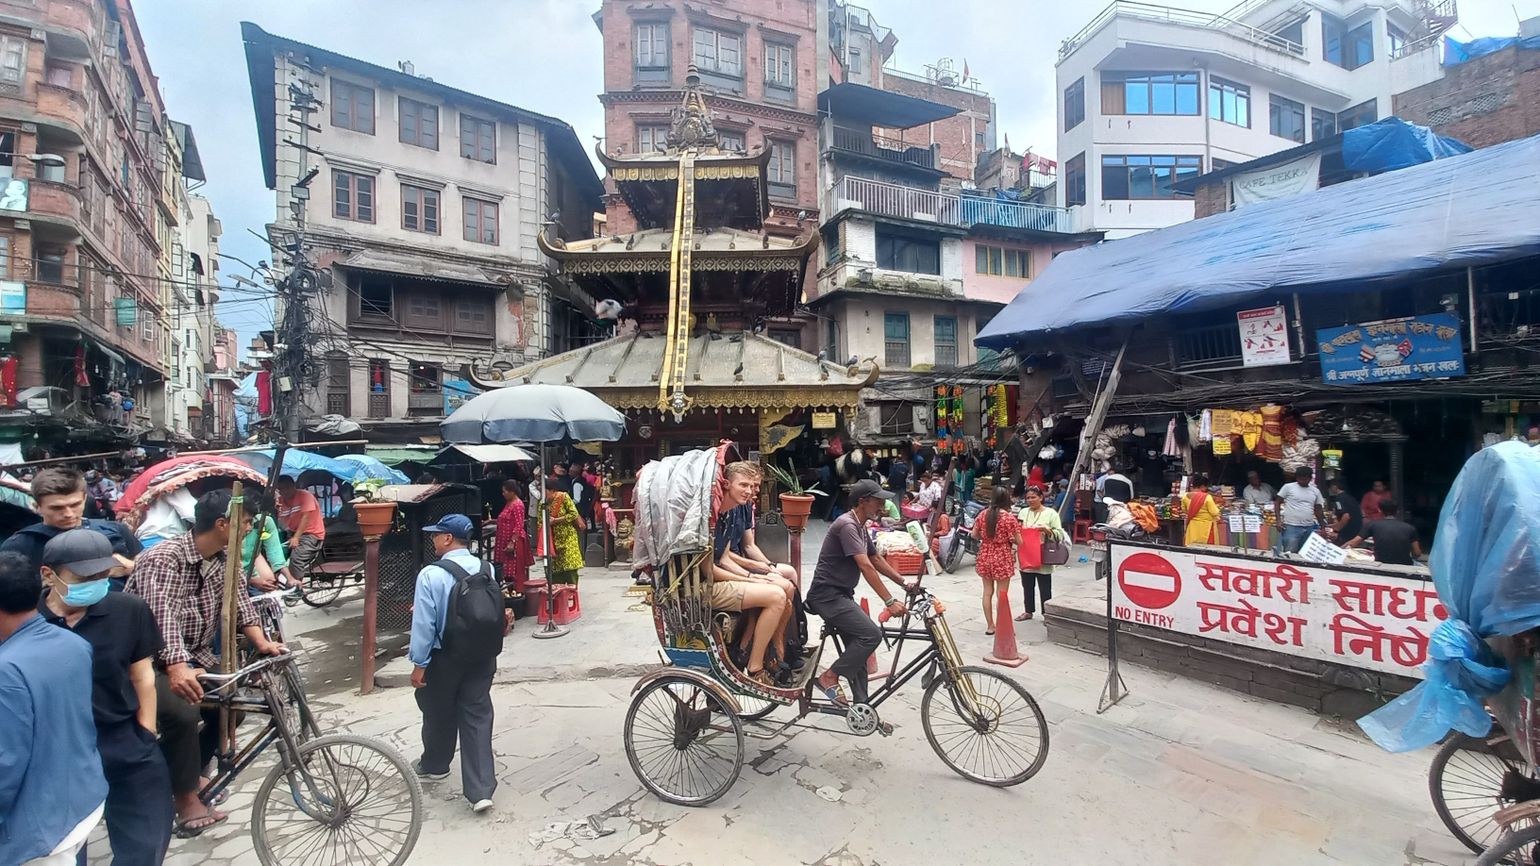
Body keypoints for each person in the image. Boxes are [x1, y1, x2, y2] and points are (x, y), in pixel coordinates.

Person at [126, 489, 285, 837]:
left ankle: (193, 773)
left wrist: (262, 643)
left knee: (235, 703)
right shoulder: (164, 558)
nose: (247, 530)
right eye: (244, 523)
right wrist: (176, 666)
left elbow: (241, 604)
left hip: (196, 657)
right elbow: (161, 615)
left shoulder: (223, 559)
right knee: (184, 711)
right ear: (222, 524)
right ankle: (184, 799)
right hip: (146, 664)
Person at [39, 530, 173, 866]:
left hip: (125, 740)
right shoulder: (29, 621)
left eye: (102, 575)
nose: (96, 583)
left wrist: (146, 730)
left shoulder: (127, 609)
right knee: (65, 850)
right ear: (48, 574)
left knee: (146, 843)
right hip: (59, 754)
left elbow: (142, 675)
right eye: (84, 577)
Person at [0, 551, 108, 866]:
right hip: (81, 797)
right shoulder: (71, 643)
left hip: (37, 828)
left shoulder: (7, 670)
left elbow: (6, 762)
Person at [408, 515, 508, 815]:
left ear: (449, 538)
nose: (434, 539)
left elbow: (424, 624)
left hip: (444, 656)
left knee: (437, 708)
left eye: (437, 534)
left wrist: (419, 663)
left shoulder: (430, 574)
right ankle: (480, 791)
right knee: (477, 713)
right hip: (482, 654)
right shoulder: (486, 568)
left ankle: (436, 764)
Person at [808, 480, 911, 708]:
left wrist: (904, 583)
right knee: (871, 635)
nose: (882, 505)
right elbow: (865, 565)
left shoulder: (860, 525)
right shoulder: (847, 525)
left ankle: (862, 708)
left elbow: (875, 558)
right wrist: (890, 600)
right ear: (862, 502)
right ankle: (829, 677)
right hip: (827, 596)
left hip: (841, 595)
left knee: (859, 644)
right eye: (878, 501)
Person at [708, 463, 793, 686]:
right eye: (743, 485)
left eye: (752, 485)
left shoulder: (724, 516)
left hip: (721, 574)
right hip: (706, 585)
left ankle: (770, 649)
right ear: (726, 485)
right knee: (776, 595)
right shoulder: (712, 516)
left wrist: (758, 575)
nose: (749, 491)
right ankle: (755, 667)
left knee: (781, 590)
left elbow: (725, 557)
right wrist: (750, 577)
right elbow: (710, 569)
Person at [0, 467, 141, 587]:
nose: (68, 514)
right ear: (37, 507)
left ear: (85, 499)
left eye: (74, 505)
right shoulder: (21, 545)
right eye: (57, 508)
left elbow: (148, 572)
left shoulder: (116, 531)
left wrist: (130, 568)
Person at [972, 486, 1019, 635]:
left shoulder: (982, 514)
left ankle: (990, 626)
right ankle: (1002, 625)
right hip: (1002, 555)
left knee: (987, 592)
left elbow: (974, 535)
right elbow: (1019, 541)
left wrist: (986, 539)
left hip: (985, 554)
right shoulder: (1009, 517)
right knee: (1002, 594)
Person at [1017, 484, 1066, 622]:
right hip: (1026, 554)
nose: (1030, 500)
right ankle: (1028, 611)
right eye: (1028, 498)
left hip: (1043, 555)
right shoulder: (1023, 512)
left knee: (1045, 587)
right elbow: (1018, 529)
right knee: (1027, 585)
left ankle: (1047, 614)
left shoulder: (1051, 513)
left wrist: (1047, 530)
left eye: (1033, 497)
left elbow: (1059, 534)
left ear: (1040, 497)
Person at [275, 476, 326, 582]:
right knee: (273, 553)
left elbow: (305, 517)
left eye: (287, 488)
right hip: (291, 532)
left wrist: (296, 537)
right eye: (281, 489)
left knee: (296, 558)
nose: (285, 491)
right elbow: (280, 520)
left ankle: (296, 587)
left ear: (293, 486)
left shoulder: (305, 496)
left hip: (311, 534)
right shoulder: (280, 501)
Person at [1344, 500, 1424, 566]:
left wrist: (1338, 550)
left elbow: (1353, 542)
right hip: (1405, 564)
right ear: (1398, 511)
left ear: (1379, 510)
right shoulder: (1410, 528)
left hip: (1381, 563)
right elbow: (1417, 553)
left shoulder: (1372, 525)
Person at [1274, 466, 1327, 554]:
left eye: (1305, 479)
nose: (1302, 481)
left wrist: (1322, 527)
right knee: (1290, 553)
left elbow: (1318, 509)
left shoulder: (1315, 491)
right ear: (1296, 477)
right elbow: (1277, 502)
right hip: (1291, 526)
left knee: (1305, 553)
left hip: (1309, 527)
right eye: (1300, 478)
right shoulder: (1288, 487)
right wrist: (1278, 520)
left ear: (1310, 478)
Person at [493, 479, 531, 594]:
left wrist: (512, 542)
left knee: (513, 570)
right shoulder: (509, 503)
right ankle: (509, 592)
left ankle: (516, 592)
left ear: (512, 492)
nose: (503, 494)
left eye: (505, 491)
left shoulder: (517, 505)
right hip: (503, 540)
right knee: (504, 569)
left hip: (513, 541)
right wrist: (490, 522)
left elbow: (519, 525)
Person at [241, 513, 291, 593]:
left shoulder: (265, 522)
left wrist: (289, 578)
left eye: (251, 522)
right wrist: (251, 580)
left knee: (269, 583)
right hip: (232, 571)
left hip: (251, 563)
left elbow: (275, 551)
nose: (249, 528)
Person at [546, 485, 583, 585]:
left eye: (545, 491)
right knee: (555, 568)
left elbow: (573, 514)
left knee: (569, 566)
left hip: (568, 537)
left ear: (552, 490)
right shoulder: (543, 503)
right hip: (553, 539)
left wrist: (556, 520)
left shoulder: (563, 497)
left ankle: (572, 589)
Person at [1182, 474, 1222, 546]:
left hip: (1193, 526)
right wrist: (1218, 506)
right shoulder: (1207, 497)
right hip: (1206, 527)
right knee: (1206, 549)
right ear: (1202, 486)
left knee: (1192, 547)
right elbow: (1215, 512)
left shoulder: (1185, 496)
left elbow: (1184, 510)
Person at [1326, 479, 1362, 544]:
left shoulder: (1339, 499)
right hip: (1356, 530)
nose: (1330, 489)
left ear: (1335, 486)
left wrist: (1336, 530)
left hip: (1346, 533)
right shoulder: (1350, 498)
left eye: (1330, 487)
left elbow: (1346, 516)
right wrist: (1333, 525)